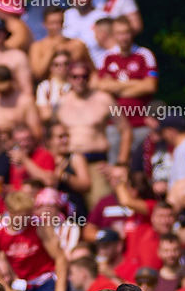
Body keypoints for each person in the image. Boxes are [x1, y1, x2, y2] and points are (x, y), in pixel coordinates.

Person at [54, 60, 131, 208]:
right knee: (69, 208)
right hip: (70, 163)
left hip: (96, 162)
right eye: (75, 76)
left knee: (100, 206)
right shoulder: (62, 103)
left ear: (90, 77)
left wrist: (121, 164)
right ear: (68, 78)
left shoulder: (103, 99)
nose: (79, 80)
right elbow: (51, 133)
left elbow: (125, 130)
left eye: (84, 76)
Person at [94, 16, 157, 162]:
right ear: (113, 35)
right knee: (116, 169)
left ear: (132, 34)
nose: (123, 37)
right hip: (115, 125)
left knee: (141, 171)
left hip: (141, 123)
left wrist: (116, 87)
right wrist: (136, 83)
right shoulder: (107, 57)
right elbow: (102, 87)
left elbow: (150, 86)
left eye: (127, 33)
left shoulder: (144, 55)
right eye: (119, 33)